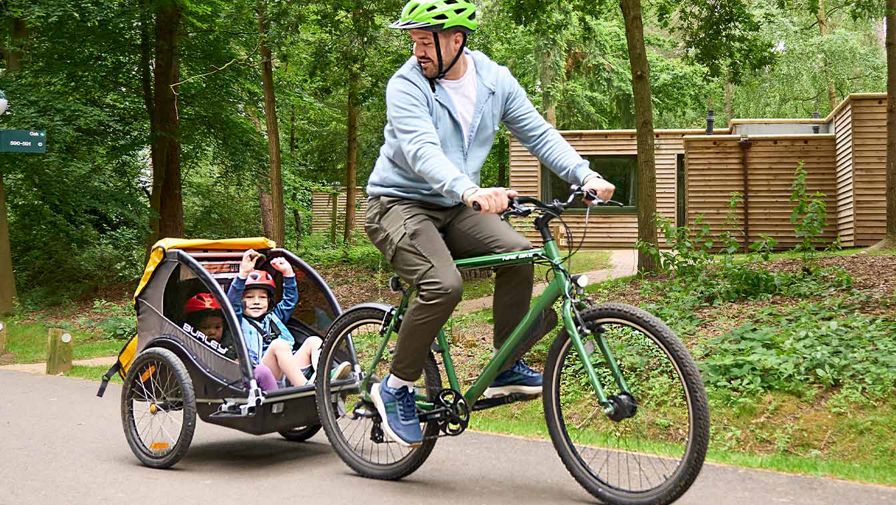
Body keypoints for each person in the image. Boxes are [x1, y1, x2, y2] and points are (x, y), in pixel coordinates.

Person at [364, 0, 616, 447]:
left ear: (456, 40)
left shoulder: (494, 82)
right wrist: (470, 190)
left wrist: (585, 174)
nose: (417, 50)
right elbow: (423, 151)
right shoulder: (406, 85)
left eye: (426, 41)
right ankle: (396, 386)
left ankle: (504, 366)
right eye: (414, 40)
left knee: (520, 255)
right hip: (398, 204)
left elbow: (537, 133)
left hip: (457, 206)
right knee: (444, 285)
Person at [227, 250, 348, 391]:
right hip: (266, 373)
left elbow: (290, 300)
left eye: (262, 297)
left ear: (269, 301)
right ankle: (307, 388)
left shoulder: (274, 316)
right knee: (279, 345)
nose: (256, 302)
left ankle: (323, 375)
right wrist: (243, 274)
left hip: (290, 369)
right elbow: (232, 302)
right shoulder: (239, 321)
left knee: (313, 341)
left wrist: (288, 273)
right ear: (241, 301)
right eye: (249, 297)